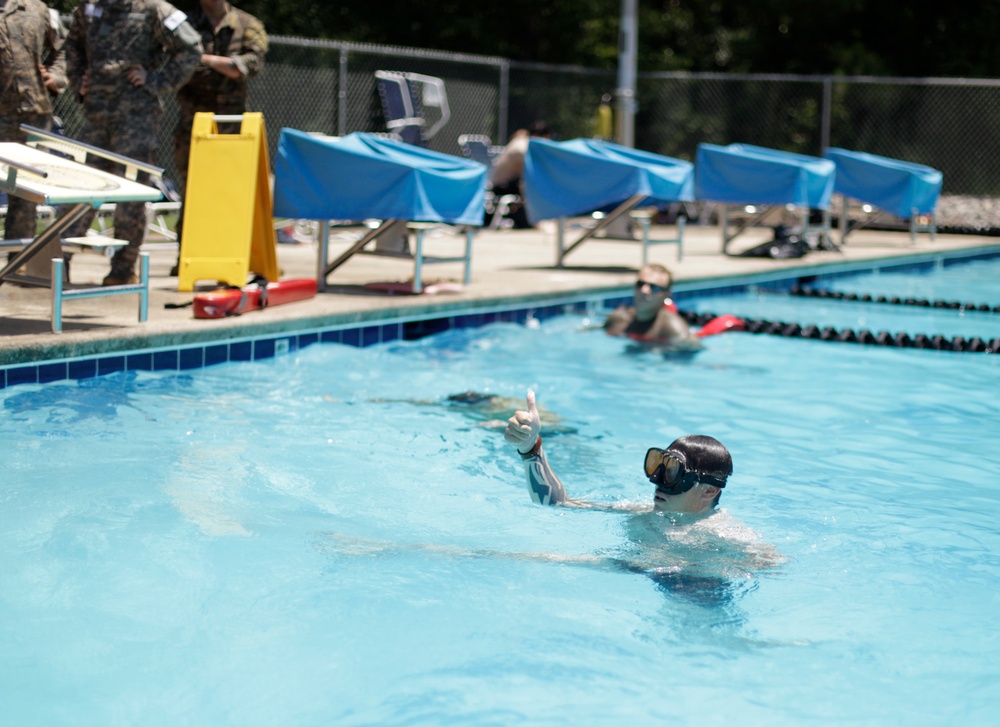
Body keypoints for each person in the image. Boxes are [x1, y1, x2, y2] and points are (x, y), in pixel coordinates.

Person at [63, 0, 203, 286]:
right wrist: (78, 78)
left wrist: (156, 79)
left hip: (136, 118)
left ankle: (123, 268)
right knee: (79, 188)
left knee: (132, 194)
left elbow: (192, 48)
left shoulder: (154, 8)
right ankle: (58, 262)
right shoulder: (89, 7)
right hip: (96, 115)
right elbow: (72, 45)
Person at [504, 390, 728, 514]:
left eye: (672, 474)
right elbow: (555, 502)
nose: (658, 482)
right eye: (657, 466)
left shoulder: (722, 537)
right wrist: (530, 448)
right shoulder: (639, 514)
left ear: (709, 491)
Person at [169, 0, 268, 276]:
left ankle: (231, 255)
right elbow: (172, 61)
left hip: (231, 125)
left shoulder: (248, 25)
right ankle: (187, 256)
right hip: (192, 122)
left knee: (231, 192)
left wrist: (204, 59)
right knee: (192, 190)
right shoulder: (182, 22)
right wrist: (222, 64)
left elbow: (248, 65)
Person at [0, 1, 67, 276]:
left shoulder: (38, 9)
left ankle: (17, 265)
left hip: (31, 112)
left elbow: (65, 50)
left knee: (26, 192)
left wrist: (56, 77)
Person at [603, 262, 702, 350]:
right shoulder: (618, 318)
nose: (644, 290)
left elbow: (693, 350)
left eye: (654, 287)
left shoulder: (672, 328)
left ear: (666, 294)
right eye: (640, 284)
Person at [488, 120, 552, 229]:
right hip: (502, 186)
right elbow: (529, 177)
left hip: (501, 183)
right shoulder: (524, 149)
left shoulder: (522, 141)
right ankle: (538, 219)